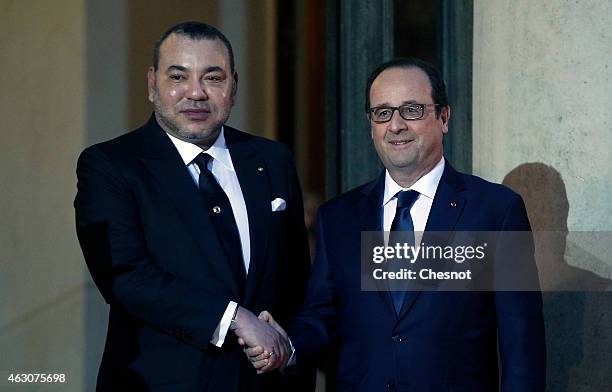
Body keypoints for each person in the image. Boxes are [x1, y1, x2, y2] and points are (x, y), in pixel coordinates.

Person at [246, 58, 546, 391]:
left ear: (444, 117)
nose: (396, 125)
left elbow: (523, 350)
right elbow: (323, 315)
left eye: (412, 110)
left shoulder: (495, 211)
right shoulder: (339, 217)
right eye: (383, 112)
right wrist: (287, 345)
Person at [74, 21, 312, 391]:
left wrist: (292, 353)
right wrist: (233, 318)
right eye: (178, 77)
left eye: (213, 78)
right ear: (152, 84)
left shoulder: (272, 159)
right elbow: (126, 277)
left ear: (234, 87)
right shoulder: (111, 165)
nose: (196, 93)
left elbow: (296, 281)